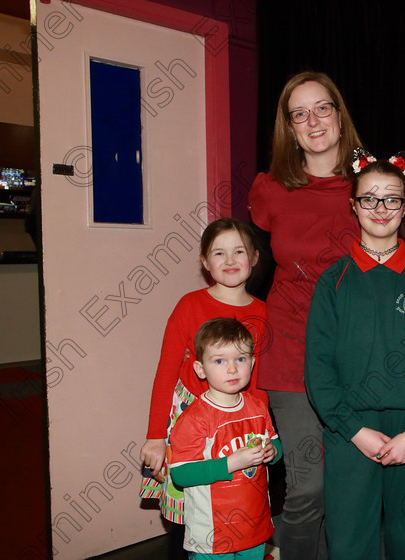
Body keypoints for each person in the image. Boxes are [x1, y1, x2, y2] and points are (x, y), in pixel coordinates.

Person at [304, 152, 405, 560]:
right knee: (350, 543)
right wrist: (352, 429)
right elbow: (318, 369)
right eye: (369, 198)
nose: (381, 208)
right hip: (349, 432)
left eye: (391, 199)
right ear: (353, 205)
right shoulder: (332, 282)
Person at [246, 71, 362, 560]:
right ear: (289, 128)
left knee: (350, 493)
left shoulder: (374, 183)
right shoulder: (270, 189)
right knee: (308, 488)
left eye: (322, 108)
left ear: (339, 114)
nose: (313, 121)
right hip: (290, 351)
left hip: (356, 354)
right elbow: (249, 268)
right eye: (300, 113)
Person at [138, 218, 269, 558]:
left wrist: (263, 431)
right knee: (189, 518)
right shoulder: (189, 305)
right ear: (205, 262)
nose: (229, 261)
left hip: (239, 426)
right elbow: (166, 371)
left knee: (236, 510)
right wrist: (156, 435)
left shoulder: (265, 313)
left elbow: (259, 382)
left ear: (254, 257)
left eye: (239, 251)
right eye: (219, 253)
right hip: (189, 424)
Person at [169, 317, 282, 558]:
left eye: (240, 359)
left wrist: (273, 451)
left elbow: (274, 442)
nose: (232, 369)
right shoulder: (194, 419)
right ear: (200, 369)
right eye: (219, 361)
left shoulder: (257, 407)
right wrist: (231, 463)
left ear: (252, 363)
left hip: (255, 526)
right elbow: (180, 473)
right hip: (212, 536)